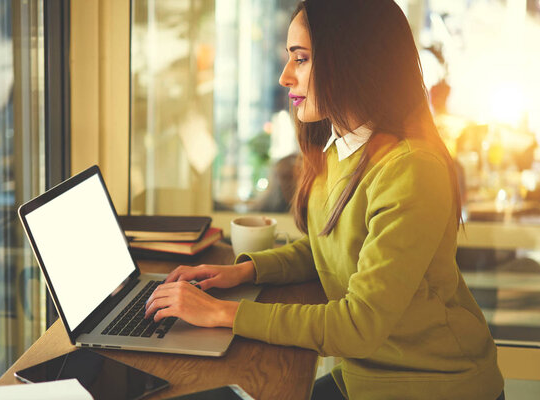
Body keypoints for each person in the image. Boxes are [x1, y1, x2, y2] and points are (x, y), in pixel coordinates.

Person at [145, 1, 505, 398]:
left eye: (301, 59)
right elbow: (329, 248)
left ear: (354, 61)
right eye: (289, 58)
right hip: (368, 375)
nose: (285, 77)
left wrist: (221, 312)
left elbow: (357, 326)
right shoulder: (340, 147)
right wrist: (243, 272)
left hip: (432, 385)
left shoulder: (411, 169)